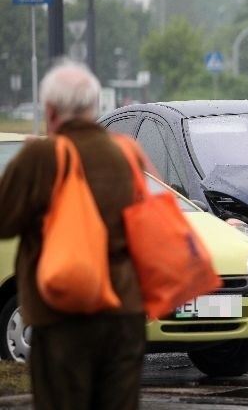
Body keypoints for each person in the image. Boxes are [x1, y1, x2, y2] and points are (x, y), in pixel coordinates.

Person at [0, 59, 148, 409]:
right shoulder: (126, 153)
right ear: (94, 107)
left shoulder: (42, 154)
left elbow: (4, 220)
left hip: (62, 314)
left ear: (50, 110)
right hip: (125, 314)